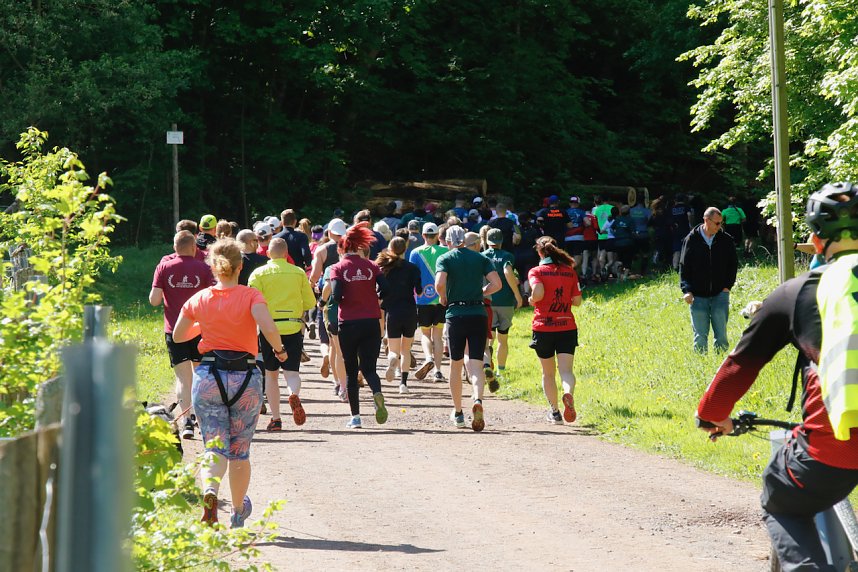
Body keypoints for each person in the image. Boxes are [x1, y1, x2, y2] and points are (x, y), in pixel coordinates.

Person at [696, 182, 858, 572]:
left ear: (816, 239)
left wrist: (711, 414)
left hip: (838, 441)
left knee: (779, 495)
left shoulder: (800, 292)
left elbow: (740, 365)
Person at [172, 238, 285, 528]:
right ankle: (237, 512)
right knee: (240, 450)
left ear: (213, 266)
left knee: (214, 445)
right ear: (239, 266)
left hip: (209, 376)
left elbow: (179, 336)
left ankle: (210, 491)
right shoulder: (250, 296)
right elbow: (267, 326)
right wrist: (280, 350)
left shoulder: (200, 298)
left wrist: (206, 325)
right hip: (245, 378)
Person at [149, 230, 215, 439]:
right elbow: (213, 298)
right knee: (201, 375)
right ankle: (201, 419)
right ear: (195, 247)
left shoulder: (164, 267)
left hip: (174, 331)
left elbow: (154, 300)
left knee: (183, 379)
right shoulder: (204, 268)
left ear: (175, 247)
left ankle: (186, 422)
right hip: (200, 330)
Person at [435, 225, 501, 431]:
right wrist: (481, 291)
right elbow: (497, 284)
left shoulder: (445, 258)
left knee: (455, 364)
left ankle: (458, 412)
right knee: (476, 361)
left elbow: (439, 284)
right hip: (478, 314)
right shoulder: (480, 258)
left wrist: (443, 296)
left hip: (456, 314)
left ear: (447, 241)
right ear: (463, 240)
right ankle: (478, 399)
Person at [248, 238, 316, 430]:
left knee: (271, 375)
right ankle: (293, 393)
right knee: (292, 372)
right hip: (293, 327)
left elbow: (251, 302)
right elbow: (310, 303)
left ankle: (276, 419)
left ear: (268, 253)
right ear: (287, 254)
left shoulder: (258, 274)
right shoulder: (298, 273)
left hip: (269, 327)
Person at [329, 223, 390, 429]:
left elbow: (336, 295)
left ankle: (355, 417)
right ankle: (376, 393)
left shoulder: (337, 268)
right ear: (359, 246)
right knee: (369, 369)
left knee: (351, 370)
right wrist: (375, 299)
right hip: (371, 321)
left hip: (348, 323)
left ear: (342, 248)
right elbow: (386, 289)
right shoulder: (371, 266)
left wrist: (342, 302)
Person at [528, 236, 583, 424]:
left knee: (548, 373)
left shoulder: (536, 271)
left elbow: (539, 293)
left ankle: (555, 413)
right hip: (567, 326)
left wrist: (532, 300)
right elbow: (577, 301)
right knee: (566, 371)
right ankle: (568, 393)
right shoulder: (570, 272)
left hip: (544, 327)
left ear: (539, 251)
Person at [679, 207, 738, 352]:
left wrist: (727, 287)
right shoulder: (691, 239)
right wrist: (687, 290)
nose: (720, 226)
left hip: (720, 294)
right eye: (717, 223)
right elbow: (684, 266)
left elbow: (733, 265)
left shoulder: (726, 240)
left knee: (722, 336)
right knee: (699, 336)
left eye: (721, 223)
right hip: (697, 295)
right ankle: (701, 367)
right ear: (706, 220)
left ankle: (722, 369)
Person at [376, 237, 421, 394]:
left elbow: (379, 292)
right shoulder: (413, 268)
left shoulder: (384, 268)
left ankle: (392, 360)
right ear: (405, 249)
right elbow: (420, 290)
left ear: (390, 248)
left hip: (392, 313)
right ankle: (403, 384)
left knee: (394, 350)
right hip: (409, 311)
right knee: (406, 350)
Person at [482, 228, 522, 384]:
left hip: (488, 303)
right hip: (505, 302)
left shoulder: (482, 257)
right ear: (501, 241)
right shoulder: (507, 256)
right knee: (503, 339)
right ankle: (501, 370)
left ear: (486, 241)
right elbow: (507, 271)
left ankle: (487, 365)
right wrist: (517, 295)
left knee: (488, 338)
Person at [409, 222, 448, 383]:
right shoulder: (445, 251)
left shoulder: (415, 253)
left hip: (422, 299)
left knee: (425, 334)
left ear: (423, 235)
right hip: (441, 298)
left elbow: (412, 276)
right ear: (438, 236)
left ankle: (428, 357)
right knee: (438, 336)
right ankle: (438, 371)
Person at [671, 194, 693, 269]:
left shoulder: (672, 208)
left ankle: (675, 265)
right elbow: (689, 215)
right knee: (686, 245)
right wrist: (690, 224)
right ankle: (685, 264)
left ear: (676, 200)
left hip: (675, 230)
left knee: (676, 248)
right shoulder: (686, 207)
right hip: (685, 229)